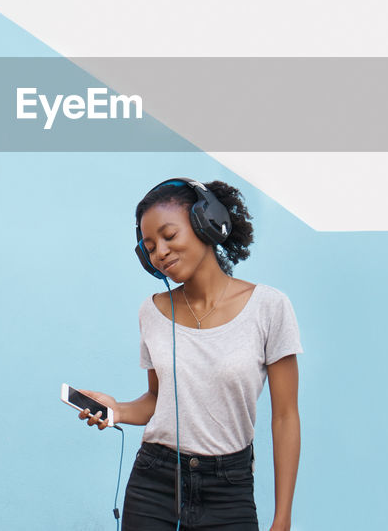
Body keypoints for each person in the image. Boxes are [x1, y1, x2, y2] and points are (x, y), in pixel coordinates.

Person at [79, 178, 302, 531]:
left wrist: (283, 517)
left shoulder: (270, 307)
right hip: (155, 481)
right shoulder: (150, 312)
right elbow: (156, 398)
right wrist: (118, 409)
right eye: (150, 247)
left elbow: (286, 416)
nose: (161, 253)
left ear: (206, 222)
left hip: (229, 487)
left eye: (169, 236)